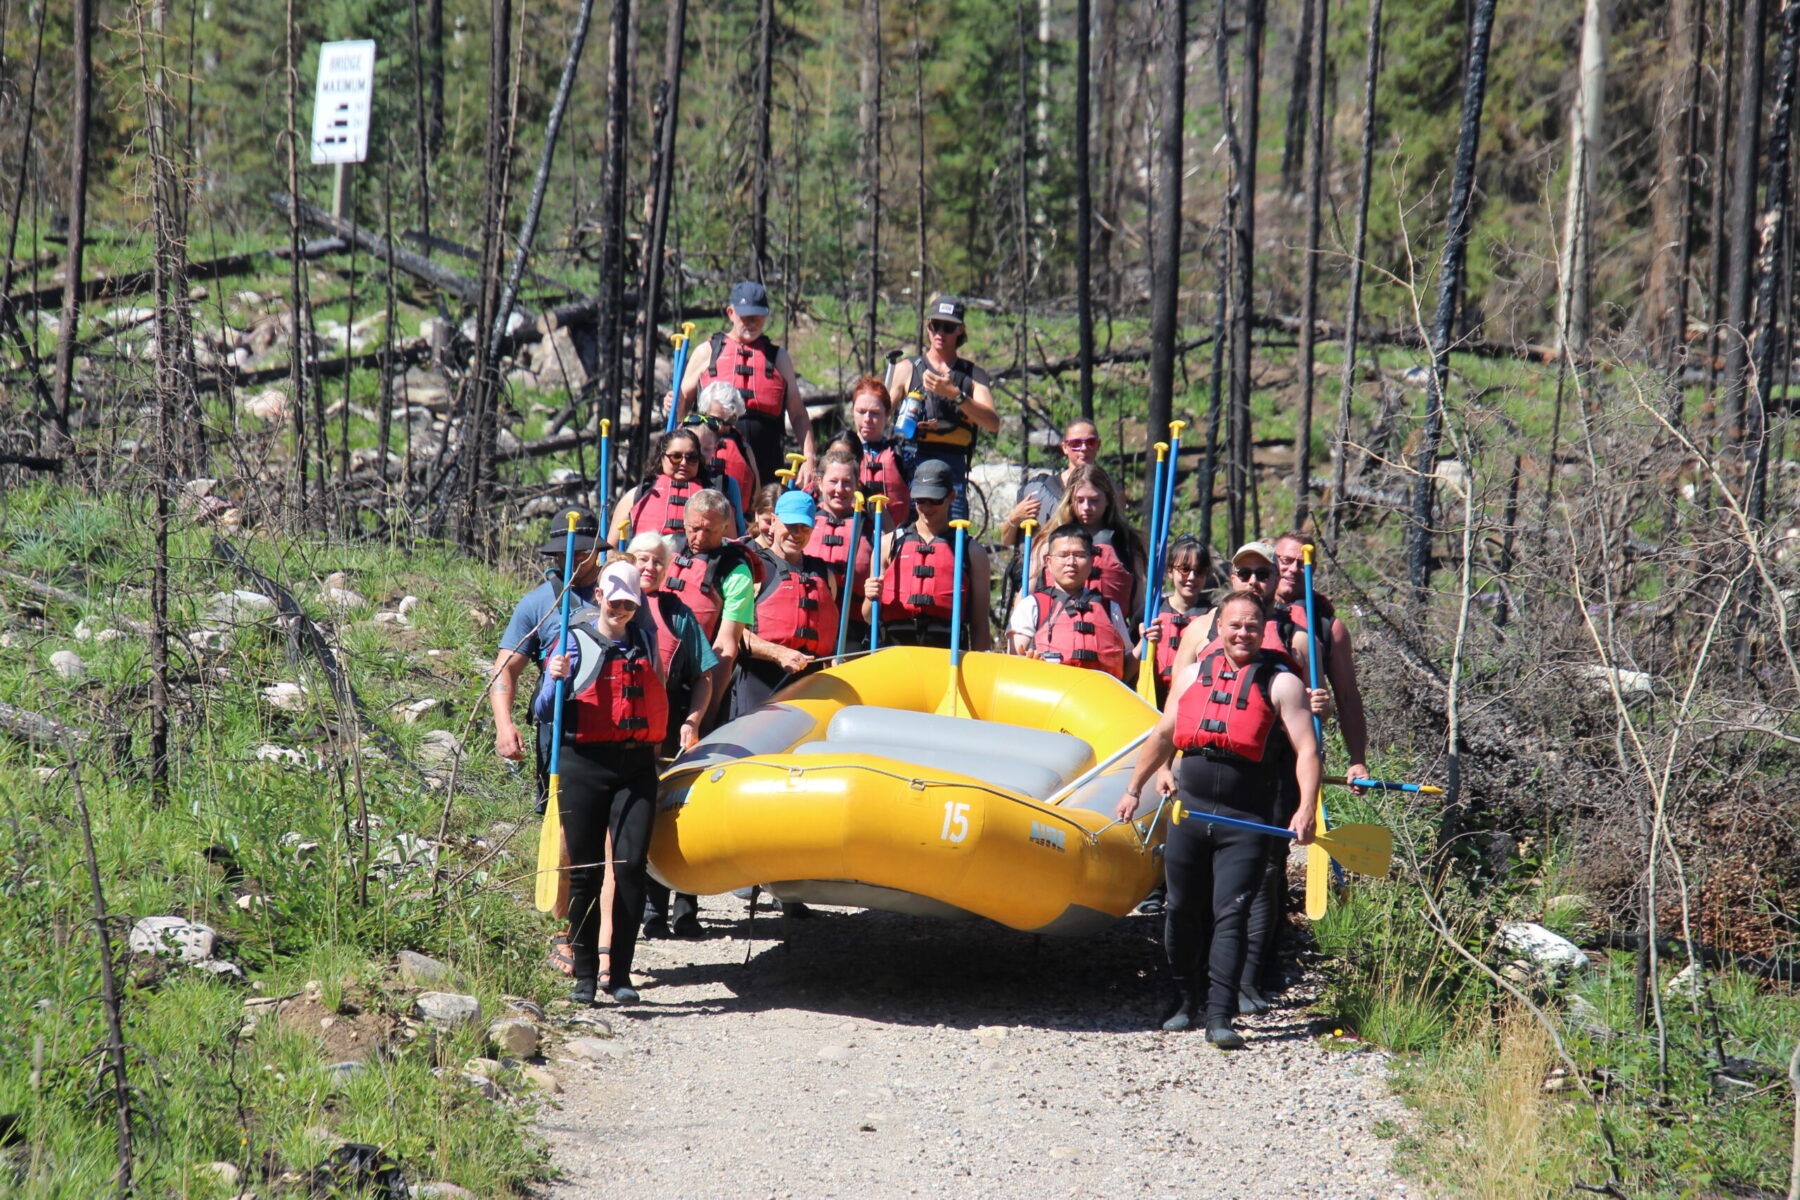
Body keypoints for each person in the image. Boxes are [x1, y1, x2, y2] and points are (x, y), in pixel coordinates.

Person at [1115, 588, 1320, 1047]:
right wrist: (1134, 787)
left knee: (1230, 912)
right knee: (1182, 909)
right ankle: (1184, 1000)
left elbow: (1307, 749)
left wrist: (1306, 806)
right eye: (1235, 624)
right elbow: (1164, 733)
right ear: (1219, 629)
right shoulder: (1191, 676)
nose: (1243, 632)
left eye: (1252, 624)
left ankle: (1220, 1014)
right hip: (1189, 811)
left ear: (1263, 628)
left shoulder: (1281, 682)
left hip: (1245, 818)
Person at [537, 562, 669, 1005]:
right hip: (583, 763)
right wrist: (554, 679)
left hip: (634, 768)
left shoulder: (645, 641)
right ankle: (586, 975)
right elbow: (542, 710)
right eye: (615, 601)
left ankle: (621, 975)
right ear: (599, 598)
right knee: (585, 873)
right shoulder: (571, 641)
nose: (622, 609)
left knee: (631, 868)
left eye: (630, 603)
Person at [621, 532, 718, 940]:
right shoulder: (613, 609)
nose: (649, 568)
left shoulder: (679, 613)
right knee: (639, 820)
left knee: (677, 814)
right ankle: (649, 909)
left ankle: (685, 907)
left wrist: (693, 721)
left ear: (667, 567)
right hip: (628, 734)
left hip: (673, 728)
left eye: (658, 562)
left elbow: (704, 675)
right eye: (642, 560)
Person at [491, 507, 608, 798]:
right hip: (559, 723)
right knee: (558, 810)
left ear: (596, 550)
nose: (573, 560)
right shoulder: (536, 603)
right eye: (564, 554)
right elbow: (505, 667)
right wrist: (504, 726)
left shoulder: (618, 593)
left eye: (583, 553)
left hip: (611, 721)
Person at [678, 280, 818, 490]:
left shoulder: (778, 357)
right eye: (746, 317)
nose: (752, 323)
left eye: (758, 317)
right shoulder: (707, 351)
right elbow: (680, 411)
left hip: (767, 458)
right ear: (731, 313)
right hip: (715, 459)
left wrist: (809, 456)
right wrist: (673, 403)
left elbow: (797, 413)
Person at [885, 296, 1000, 520]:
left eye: (948, 327)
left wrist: (956, 396)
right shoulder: (907, 368)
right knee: (907, 534)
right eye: (935, 325)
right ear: (928, 326)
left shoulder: (974, 376)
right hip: (911, 461)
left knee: (952, 537)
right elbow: (880, 412)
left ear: (960, 330)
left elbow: (992, 423)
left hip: (953, 467)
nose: (940, 333)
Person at [862, 459, 993, 650]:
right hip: (895, 654)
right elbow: (868, 617)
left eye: (935, 500)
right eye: (921, 500)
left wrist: (982, 670)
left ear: (952, 496)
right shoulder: (887, 544)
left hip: (946, 657)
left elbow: (980, 625)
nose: (927, 507)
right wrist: (870, 597)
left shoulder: (972, 552)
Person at [732, 490, 842, 717]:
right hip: (759, 679)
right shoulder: (753, 568)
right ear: (773, 522)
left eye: (803, 528)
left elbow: (829, 629)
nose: (796, 534)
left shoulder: (825, 574)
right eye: (790, 525)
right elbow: (733, 633)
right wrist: (777, 653)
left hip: (809, 682)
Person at [663, 490, 758, 730]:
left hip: (695, 676)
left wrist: (705, 716)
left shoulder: (736, 572)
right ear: (684, 522)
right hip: (657, 667)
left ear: (726, 527)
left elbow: (726, 646)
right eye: (694, 528)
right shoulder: (664, 549)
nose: (700, 538)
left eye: (711, 530)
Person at [1008, 524, 1137, 681]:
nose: (1071, 562)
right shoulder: (1031, 606)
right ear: (1048, 562)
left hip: (1100, 698)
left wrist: (1146, 643)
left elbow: (1127, 666)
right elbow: (1014, 660)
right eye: (1063, 555)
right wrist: (1030, 663)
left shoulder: (1110, 609)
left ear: (1092, 561)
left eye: (1080, 555)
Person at [1028, 463, 1145, 620]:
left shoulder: (1126, 543)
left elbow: (1139, 603)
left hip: (1110, 636)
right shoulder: (1048, 541)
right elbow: (1028, 590)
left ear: (1108, 499)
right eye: (1079, 500)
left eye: (1094, 500)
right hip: (1055, 634)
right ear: (1070, 500)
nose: (1086, 507)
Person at [615, 428, 743, 544]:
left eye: (691, 457)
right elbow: (611, 549)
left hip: (699, 565)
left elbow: (731, 545)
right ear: (662, 457)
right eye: (676, 457)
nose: (684, 463)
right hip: (648, 565)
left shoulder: (718, 501)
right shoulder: (636, 495)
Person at [807, 449, 875, 651]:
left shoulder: (871, 528)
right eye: (833, 481)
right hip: (809, 623)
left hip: (853, 630)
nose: (840, 489)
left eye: (847, 483)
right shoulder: (804, 523)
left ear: (856, 486)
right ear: (819, 482)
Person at [999, 417, 1102, 548]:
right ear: (1064, 447)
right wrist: (1014, 517)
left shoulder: (1109, 491)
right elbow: (1006, 540)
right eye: (1075, 443)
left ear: (1098, 445)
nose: (1083, 448)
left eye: (1090, 442)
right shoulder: (1040, 489)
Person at [1141, 535, 1214, 707]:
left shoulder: (1212, 616)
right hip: (1151, 699)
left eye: (1199, 571)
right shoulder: (1150, 612)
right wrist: (1142, 643)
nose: (1191, 577)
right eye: (1185, 569)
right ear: (1170, 571)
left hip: (1192, 703)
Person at [840, 375, 911, 526]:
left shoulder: (900, 454)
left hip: (894, 535)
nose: (867, 419)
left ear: (886, 415)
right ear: (852, 411)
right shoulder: (841, 450)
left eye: (875, 413)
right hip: (853, 533)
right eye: (861, 411)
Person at [692, 379, 760, 509]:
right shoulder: (686, 438)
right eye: (717, 420)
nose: (722, 427)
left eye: (729, 421)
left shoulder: (743, 447)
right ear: (704, 413)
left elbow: (756, 492)